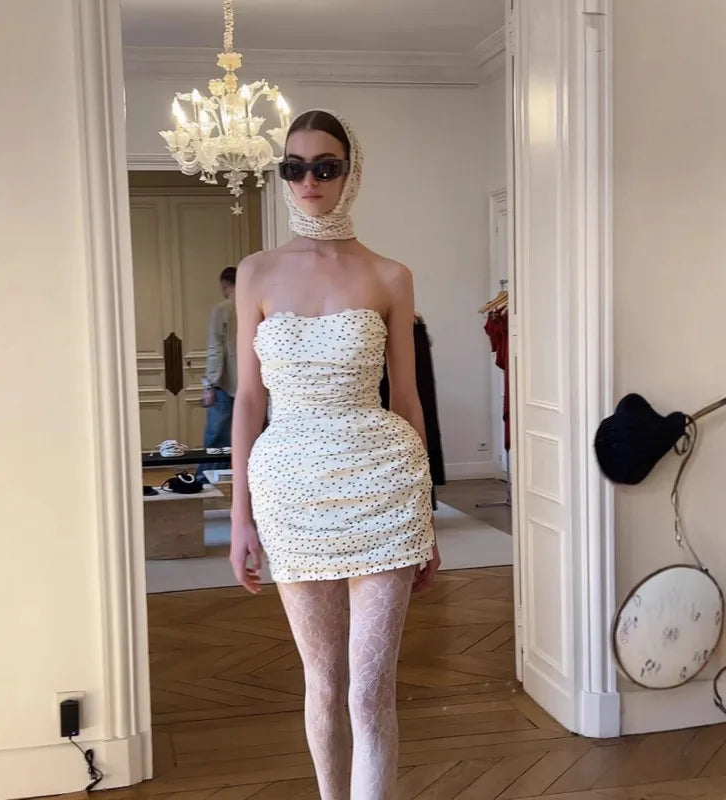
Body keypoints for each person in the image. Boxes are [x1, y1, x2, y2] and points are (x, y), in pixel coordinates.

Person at [230, 108, 440, 800]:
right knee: (322, 685)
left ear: (353, 173)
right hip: (290, 492)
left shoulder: (390, 275)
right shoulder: (257, 274)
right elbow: (249, 402)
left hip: (383, 485)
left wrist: (426, 516)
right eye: (294, 168)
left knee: (370, 690)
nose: (309, 181)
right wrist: (239, 520)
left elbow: (407, 400)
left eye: (326, 166)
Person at [199, 266, 237, 475]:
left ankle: (208, 479)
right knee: (252, 435)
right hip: (255, 385)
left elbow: (215, 348)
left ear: (224, 286)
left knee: (217, 438)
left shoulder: (222, 309)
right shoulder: (257, 306)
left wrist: (209, 384)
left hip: (224, 382)